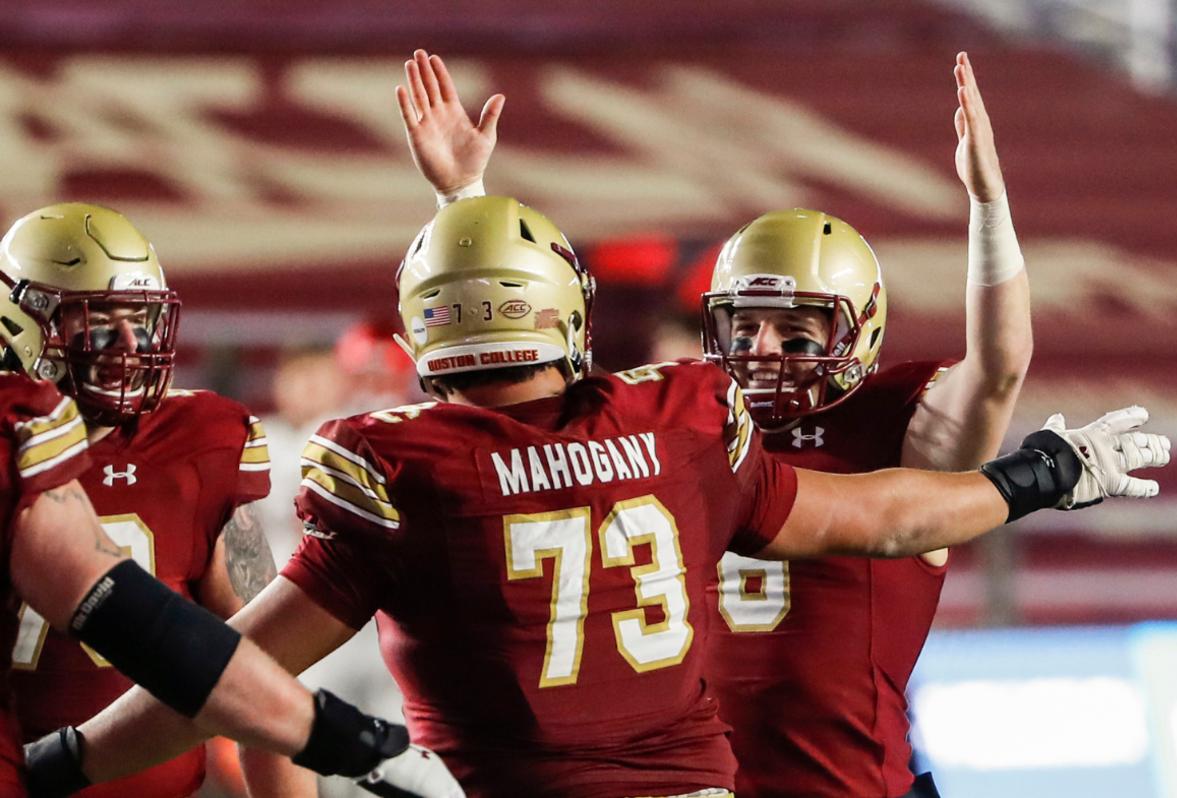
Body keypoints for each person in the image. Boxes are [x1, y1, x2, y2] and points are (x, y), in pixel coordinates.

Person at [41, 192, 1168, 798]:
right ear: (566, 312)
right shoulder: (673, 424)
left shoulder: (404, 463)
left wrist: (73, 760)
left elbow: (227, 673)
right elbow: (885, 515)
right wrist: (1035, 477)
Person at [398, 48, 1032, 797]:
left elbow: (998, 366)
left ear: (855, 335)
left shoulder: (890, 427)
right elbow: (502, 403)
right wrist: (462, 199)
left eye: (795, 336)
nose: (762, 354)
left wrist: (988, 207)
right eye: (744, 330)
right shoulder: (669, 421)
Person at [2, 206, 461, 798]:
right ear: (22, 324)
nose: (127, 345)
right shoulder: (13, 440)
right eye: (96, 323)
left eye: (140, 321)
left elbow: (252, 664)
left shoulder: (198, 442)